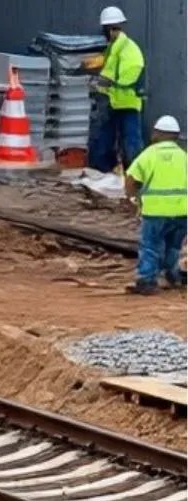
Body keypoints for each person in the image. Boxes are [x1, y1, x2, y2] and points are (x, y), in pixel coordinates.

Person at [124, 116, 187, 294]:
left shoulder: (149, 155)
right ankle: (172, 275)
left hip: (155, 211)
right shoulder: (184, 157)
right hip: (182, 211)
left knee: (150, 246)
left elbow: (131, 179)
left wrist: (132, 197)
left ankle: (147, 281)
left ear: (158, 134)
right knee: (173, 246)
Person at [88, 6, 146, 173]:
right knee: (105, 140)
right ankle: (105, 171)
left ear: (110, 29)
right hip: (112, 102)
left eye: (105, 29)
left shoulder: (129, 49)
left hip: (127, 103)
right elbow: (107, 63)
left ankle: (134, 175)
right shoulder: (114, 47)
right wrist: (88, 64)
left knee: (131, 142)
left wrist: (110, 83)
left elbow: (132, 74)